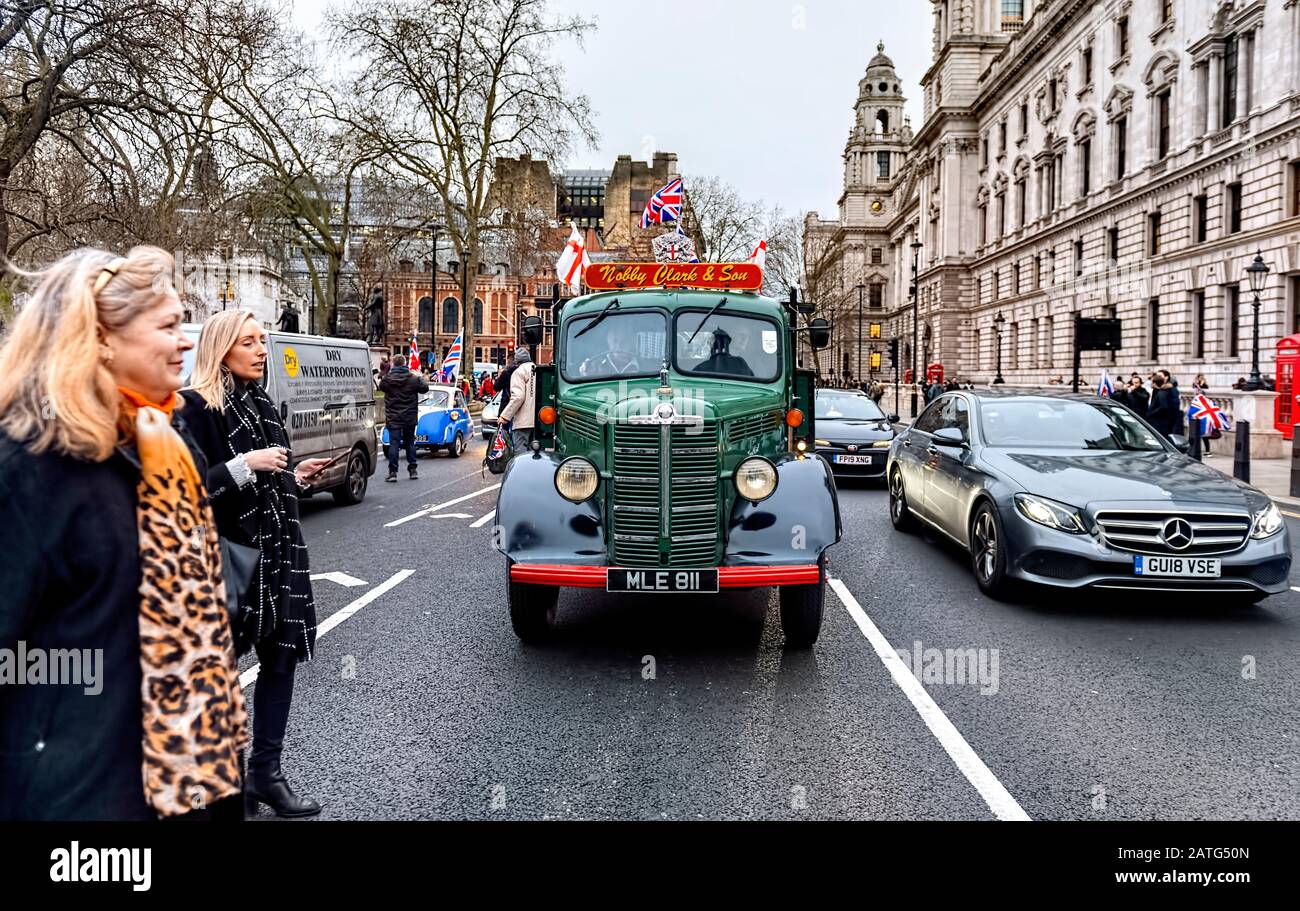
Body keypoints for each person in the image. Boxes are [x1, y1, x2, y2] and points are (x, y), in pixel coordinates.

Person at [0, 246, 247, 820]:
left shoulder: (166, 443)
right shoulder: (26, 469)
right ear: (101, 338)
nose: (186, 341)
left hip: (190, 784)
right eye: (168, 326)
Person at [180, 310, 330, 819]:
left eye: (262, 341)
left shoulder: (263, 403)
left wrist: (296, 475)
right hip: (226, 557)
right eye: (250, 342)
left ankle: (265, 773)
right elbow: (191, 487)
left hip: (278, 550)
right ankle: (227, 784)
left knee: (281, 657)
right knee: (219, 671)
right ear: (222, 349)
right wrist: (248, 465)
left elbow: (274, 476)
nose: (262, 350)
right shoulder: (196, 407)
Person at [379, 358, 429, 481]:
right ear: (405, 364)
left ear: (393, 364)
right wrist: (420, 376)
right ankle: (413, 470)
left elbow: (381, 387)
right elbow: (425, 388)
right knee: (410, 442)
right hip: (409, 416)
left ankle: (393, 473)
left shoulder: (387, 379)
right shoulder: (413, 379)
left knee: (394, 444)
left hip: (393, 416)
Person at [498, 346, 536, 453]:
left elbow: (518, 397)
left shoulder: (518, 372)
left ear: (517, 360)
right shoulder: (538, 369)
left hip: (522, 422)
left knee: (521, 455)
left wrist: (504, 416)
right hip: (538, 422)